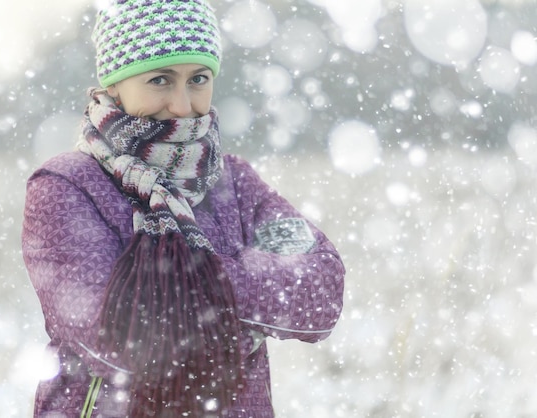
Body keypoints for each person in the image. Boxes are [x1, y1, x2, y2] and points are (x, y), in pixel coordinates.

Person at [21, 0, 345, 417]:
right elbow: (112, 341)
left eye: (198, 79)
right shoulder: (67, 186)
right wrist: (243, 292)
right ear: (115, 83)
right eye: (160, 79)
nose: (181, 104)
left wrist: (183, 280)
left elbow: (320, 296)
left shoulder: (235, 182)